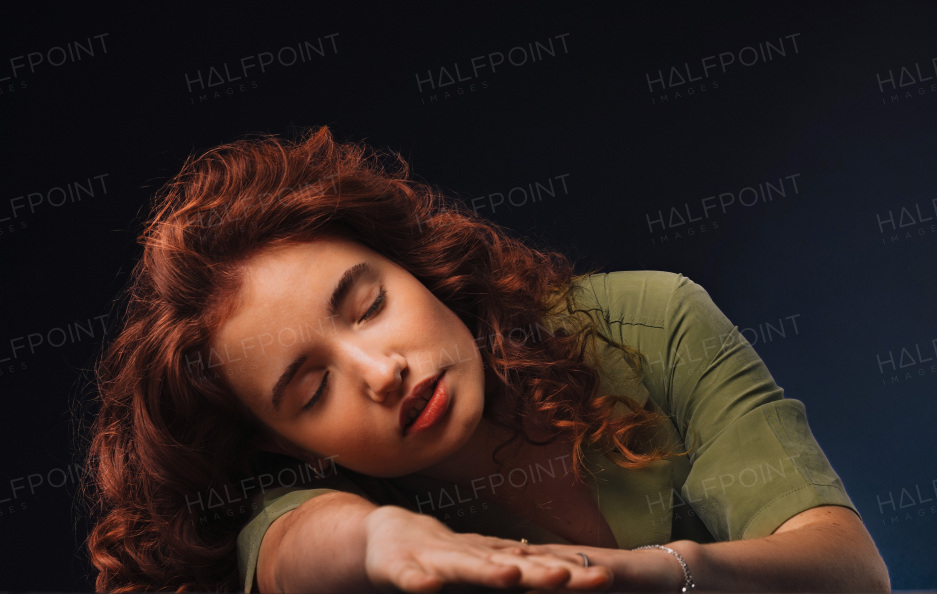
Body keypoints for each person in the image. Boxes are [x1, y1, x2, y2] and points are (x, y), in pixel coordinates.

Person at [82, 127, 890, 593]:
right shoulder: (311, 496)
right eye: (312, 386)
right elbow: (301, 546)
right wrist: (380, 542)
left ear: (414, 266)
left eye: (367, 305)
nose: (379, 371)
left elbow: (847, 569)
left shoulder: (652, 319)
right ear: (284, 445)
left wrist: (629, 577)